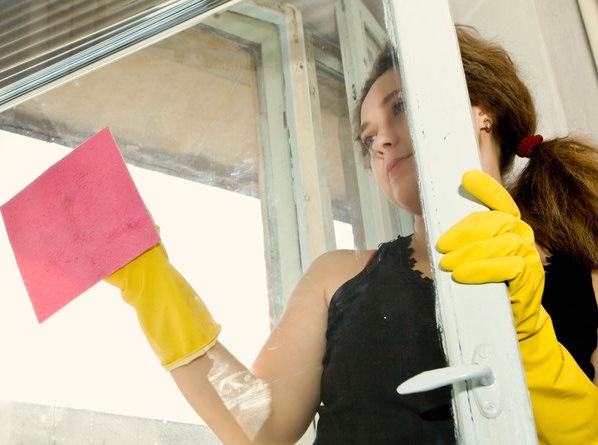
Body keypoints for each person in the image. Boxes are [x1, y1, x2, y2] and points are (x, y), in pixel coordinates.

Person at [105, 26, 598, 444]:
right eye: (367, 137)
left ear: (479, 112)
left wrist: (529, 338)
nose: (380, 141)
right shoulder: (338, 276)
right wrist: (151, 283)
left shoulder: (586, 269)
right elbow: (259, 425)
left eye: (399, 108)